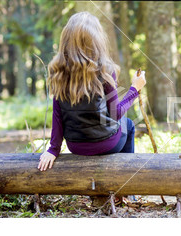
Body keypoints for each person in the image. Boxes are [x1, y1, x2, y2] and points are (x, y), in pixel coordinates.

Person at [38, 12, 146, 171]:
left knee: (124, 124)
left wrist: (53, 149)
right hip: (107, 144)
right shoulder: (105, 69)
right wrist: (135, 89)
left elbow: (57, 114)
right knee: (128, 125)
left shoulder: (58, 70)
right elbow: (116, 113)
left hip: (76, 147)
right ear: (96, 40)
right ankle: (125, 188)